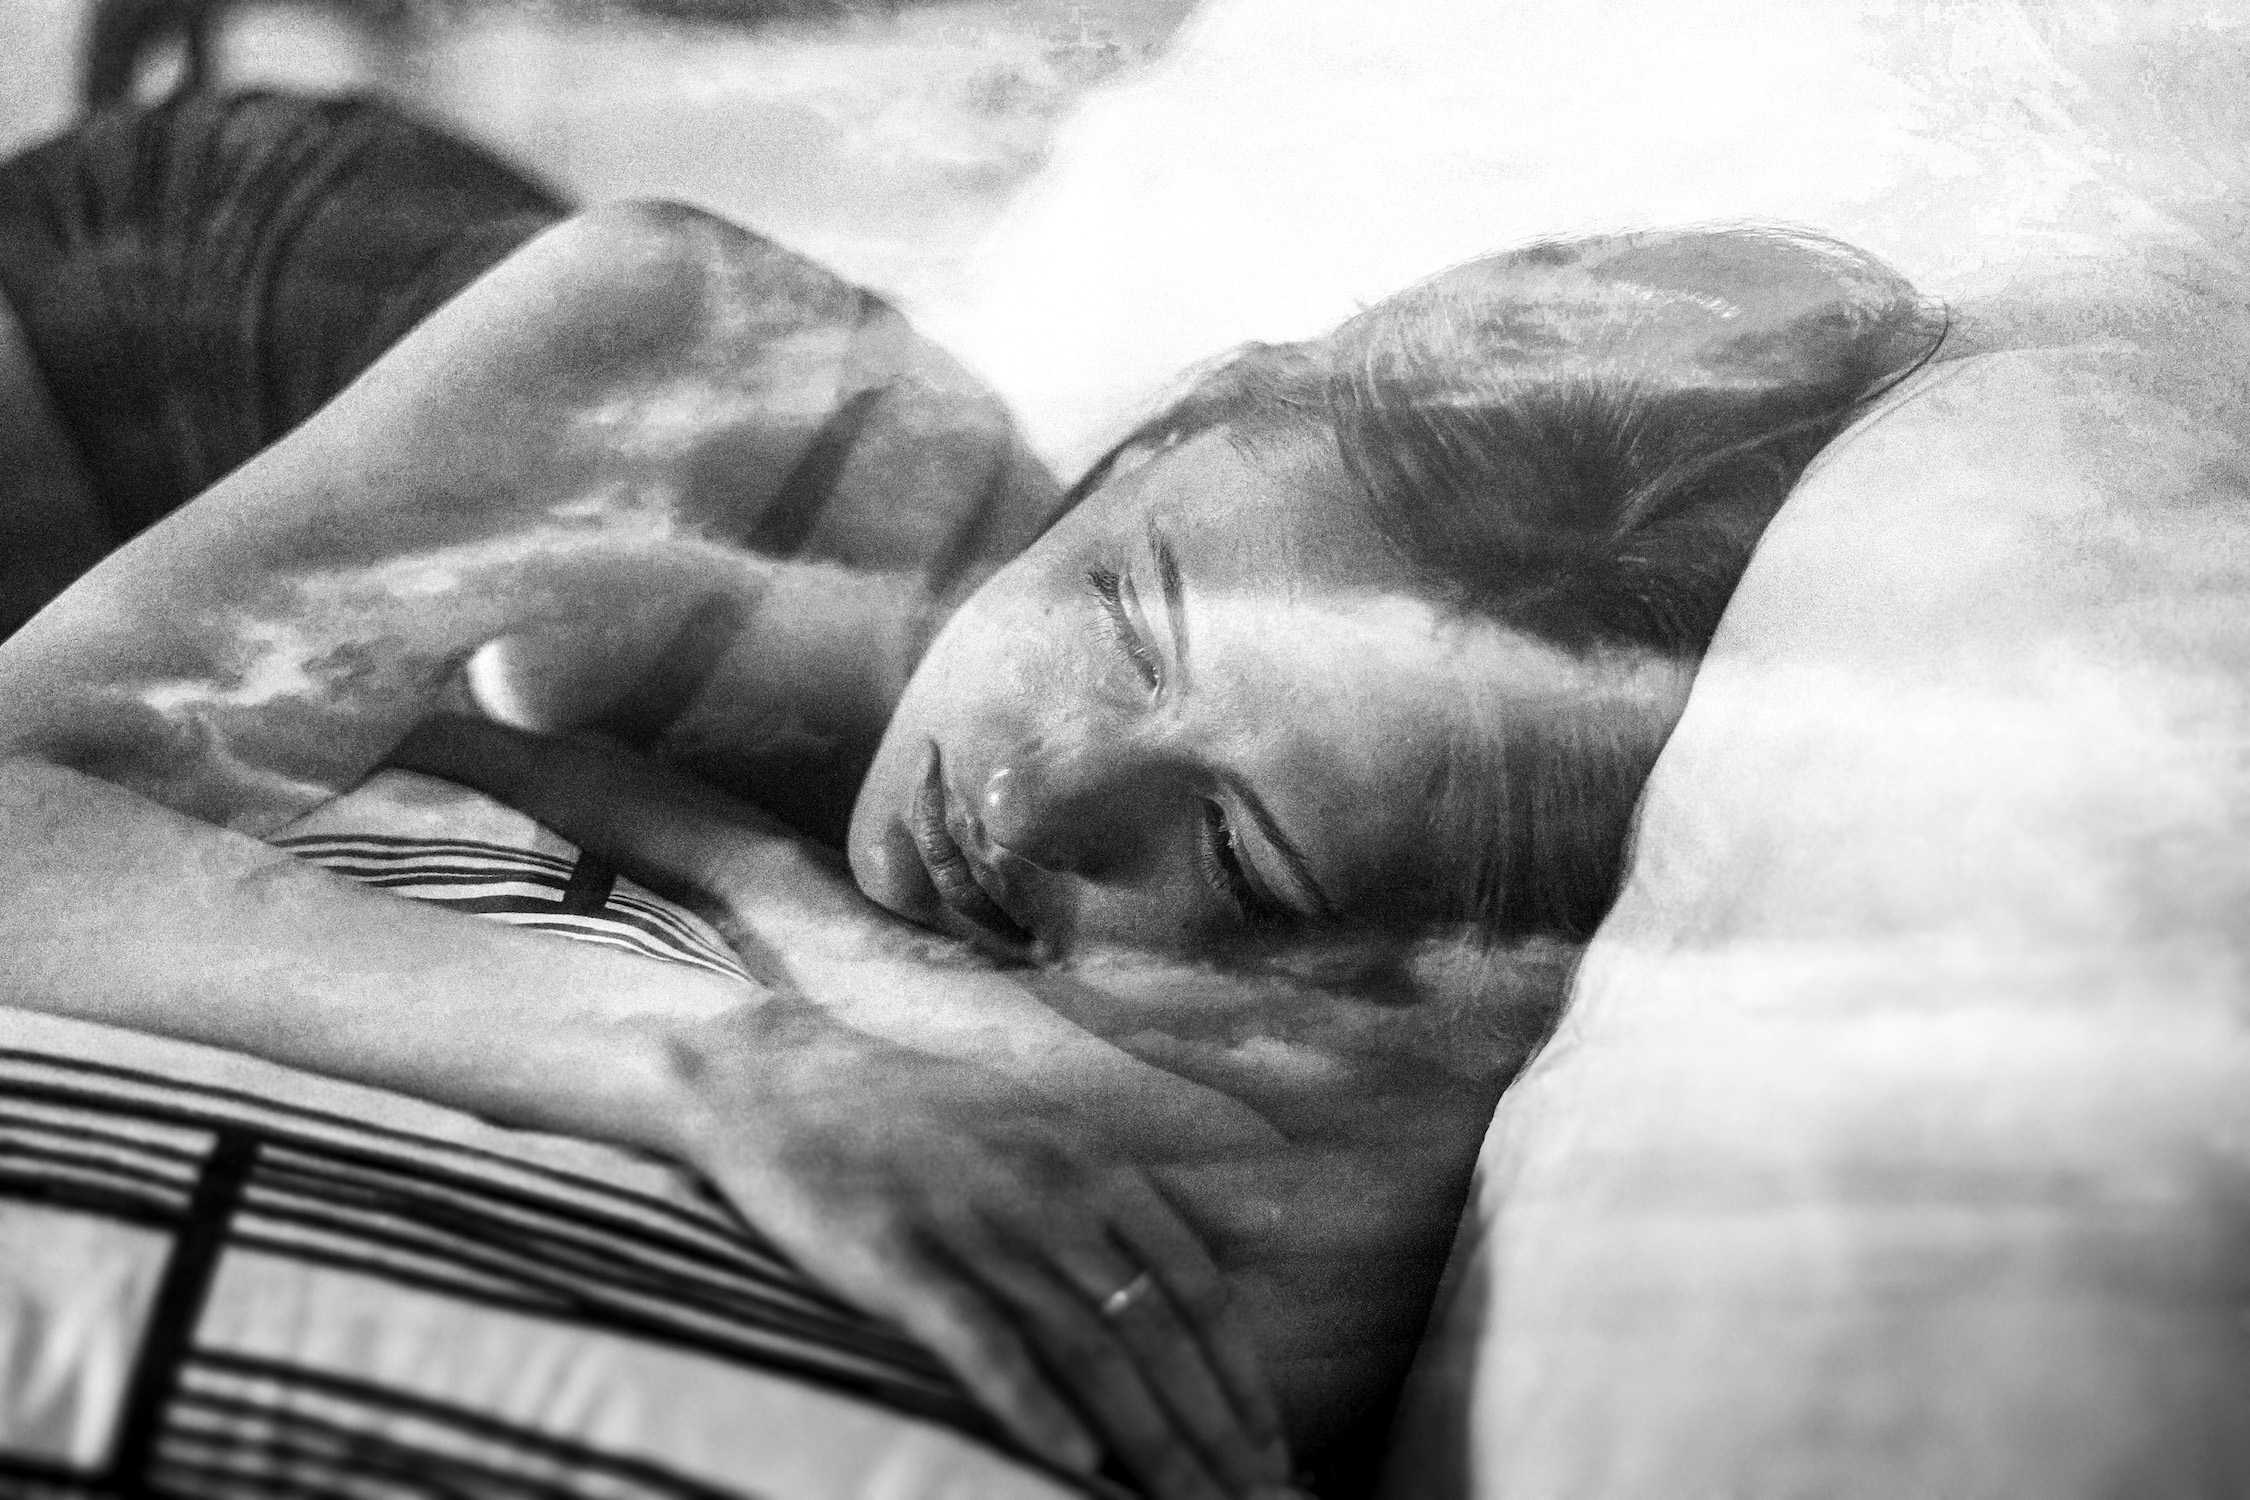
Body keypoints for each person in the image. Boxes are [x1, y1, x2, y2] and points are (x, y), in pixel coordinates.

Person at [0, 84, 1945, 1499]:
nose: (1030, 803)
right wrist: (721, 1055)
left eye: (1232, 853)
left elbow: (1282, 1290)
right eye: (1120, 618)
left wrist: (687, 845)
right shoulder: (686, 364)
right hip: (172, 311)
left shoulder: (1411, 979)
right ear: (1166, 433)